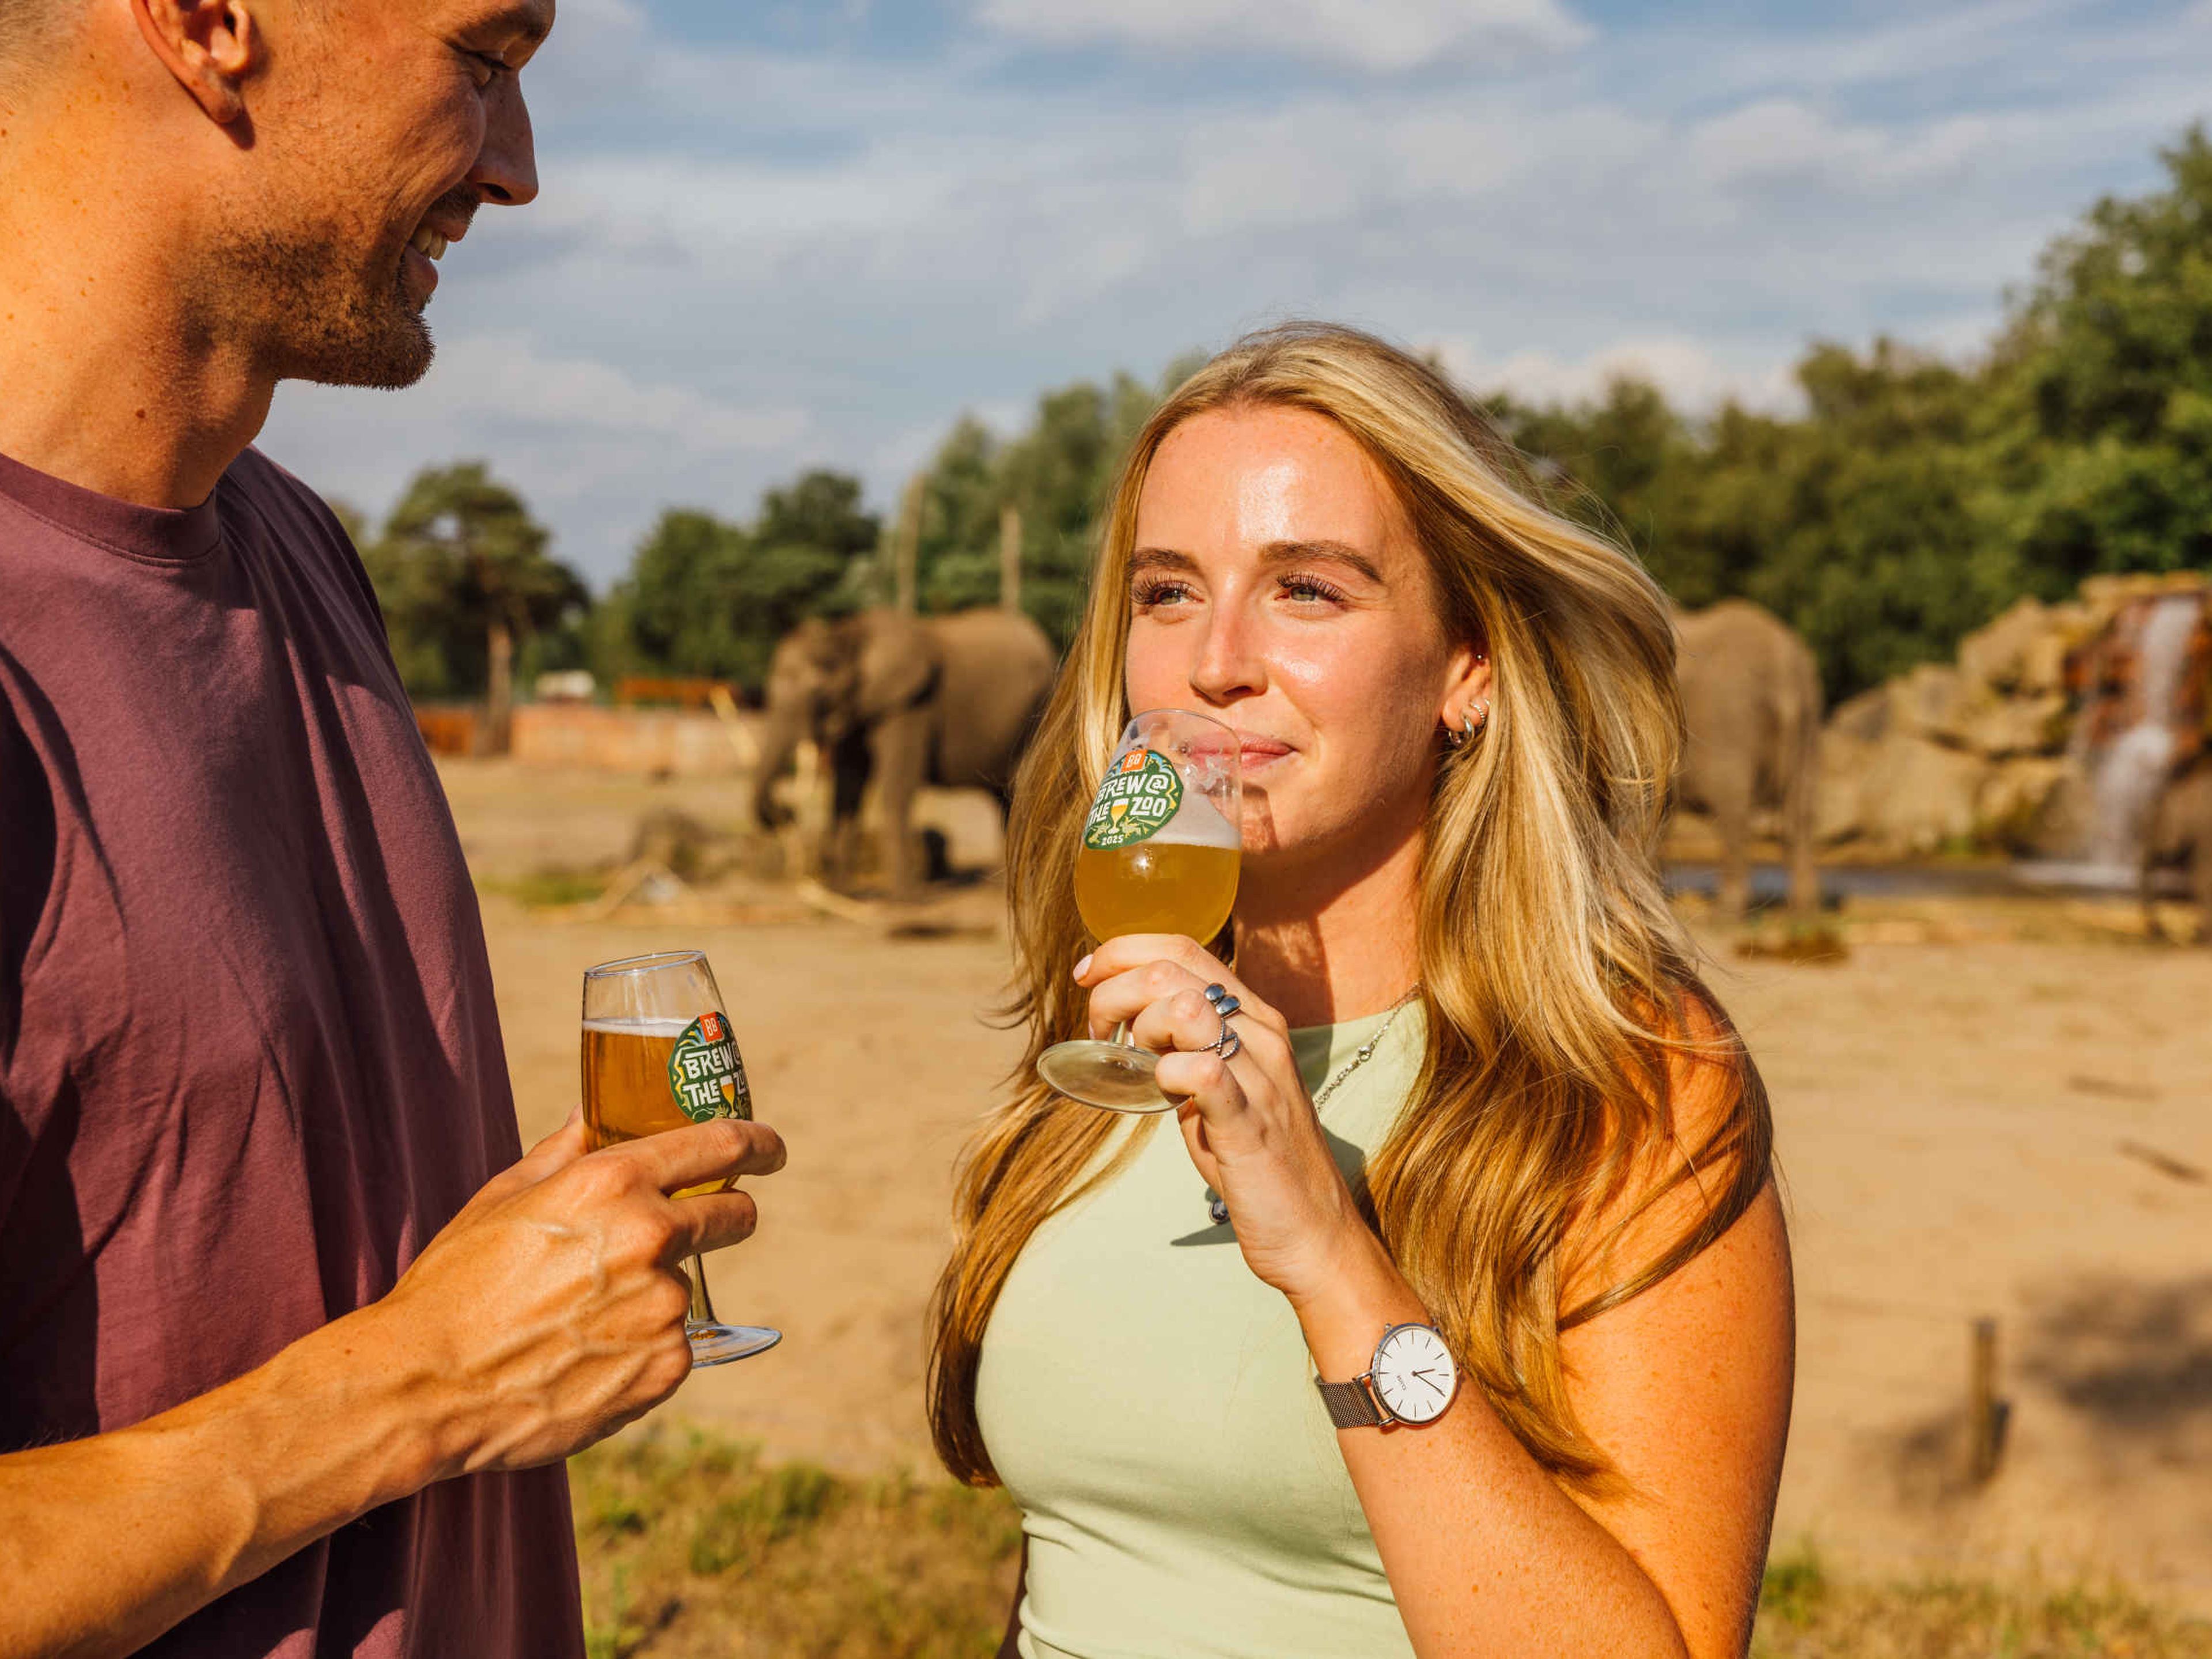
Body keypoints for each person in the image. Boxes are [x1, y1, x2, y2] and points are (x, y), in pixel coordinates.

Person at [0, 3, 785, 1656]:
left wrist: (538, 1274)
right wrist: (421, 1385)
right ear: (210, 24)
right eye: (483, 62)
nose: (517, 174)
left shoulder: (297, 552)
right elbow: (419, 1369)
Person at [928, 323, 1794, 1658]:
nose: (1216, 659)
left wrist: (1332, 1257)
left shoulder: (1633, 1080)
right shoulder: (1108, 1037)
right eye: (1166, 593)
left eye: (1308, 591)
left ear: (1470, 668)